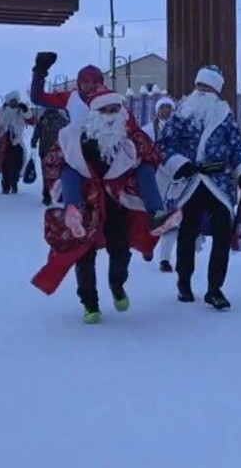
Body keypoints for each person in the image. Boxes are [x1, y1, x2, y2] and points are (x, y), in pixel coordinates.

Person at [30, 51, 176, 234]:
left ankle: (156, 212)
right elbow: (38, 98)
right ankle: (73, 211)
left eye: (94, 81)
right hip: (82, 153)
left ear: (101, 82)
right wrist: (40, 71)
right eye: (86, 82)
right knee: (69, 169)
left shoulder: (112, 101)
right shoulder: (71, 98)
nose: (90, 86)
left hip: (111, 157)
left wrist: (142, 150)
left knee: (144, 167)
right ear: (79, 83)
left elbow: (132, 128)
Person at [54, 89, 166, 322]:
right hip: (88, 204)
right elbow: (59, 159)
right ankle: (90, 304)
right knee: (84, 254)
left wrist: (139, 162)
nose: (110, 115)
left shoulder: (129, 137)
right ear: (94, 113)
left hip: (116, 203)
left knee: (120, 252)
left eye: (114, 110)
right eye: (104, 110)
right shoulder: (78, 135)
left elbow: (151, 155)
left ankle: (117, 285)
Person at [157, 65, 241, 310]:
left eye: (208, 87)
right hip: (190, 181)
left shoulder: (224, 115)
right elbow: (165, 143)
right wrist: (179, 163)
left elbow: (239, 144)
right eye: (200, 86)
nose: (202, 91)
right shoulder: (181, 113)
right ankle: (184, 282)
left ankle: (214, 288)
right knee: (187, 232)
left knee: (222, 234)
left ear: (216, 90)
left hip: (218, 182)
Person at [145, 95, 203, 272]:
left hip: (184, 176)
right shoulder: (149, 130)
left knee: (186, 217)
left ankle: (185, 255)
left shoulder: (184, 129)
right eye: (162, 108)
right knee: (166, 218)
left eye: (169, 108)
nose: (166, 111)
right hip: (161, 178)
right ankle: (162, 257)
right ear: (157, 110)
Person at [0, 91, 35, 194]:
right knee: (4, 165)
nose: (13, 103)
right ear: (8, 101)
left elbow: (32, 121)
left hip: (17, 144)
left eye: (15, 101)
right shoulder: (0, 113)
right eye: (11, 101)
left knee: (18, 164)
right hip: (3, 145)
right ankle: (5, 185)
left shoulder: (21, 112)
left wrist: (26, 111)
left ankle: (14, 183)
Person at [30, 107, 69, 205]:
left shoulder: (43, 119)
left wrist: (33, 142)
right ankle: (59, 194)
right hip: (59, 152)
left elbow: (36, 134)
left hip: (45, 151)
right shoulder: (62, 119)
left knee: (46, 175)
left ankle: (47, 196)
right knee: (59, 174)